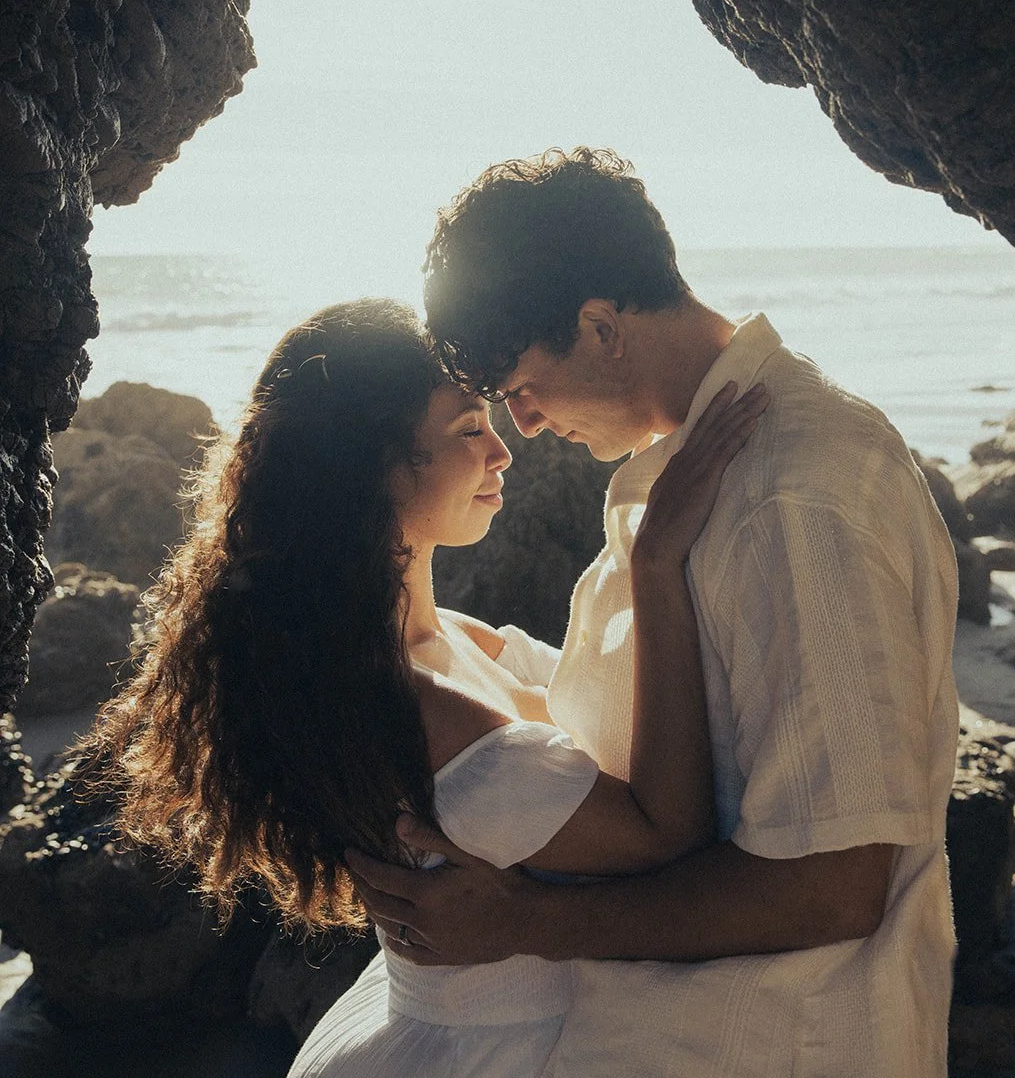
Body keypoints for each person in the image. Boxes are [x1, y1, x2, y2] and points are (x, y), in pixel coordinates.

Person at [347, 148, 960, 1078]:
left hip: (761, 1043)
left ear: (599, 326)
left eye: (519, 390)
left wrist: (527, 923)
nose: (528, 427)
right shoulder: (695, 465)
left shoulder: (790, 498)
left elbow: (832, 886)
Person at [82, 296, 764, 1078]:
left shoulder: (453, 642)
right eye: (470, 429)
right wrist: (656, 566)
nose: (503, 453)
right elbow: (666, 832)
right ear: (372, 469)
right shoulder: (411, 702)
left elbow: (605, 725)